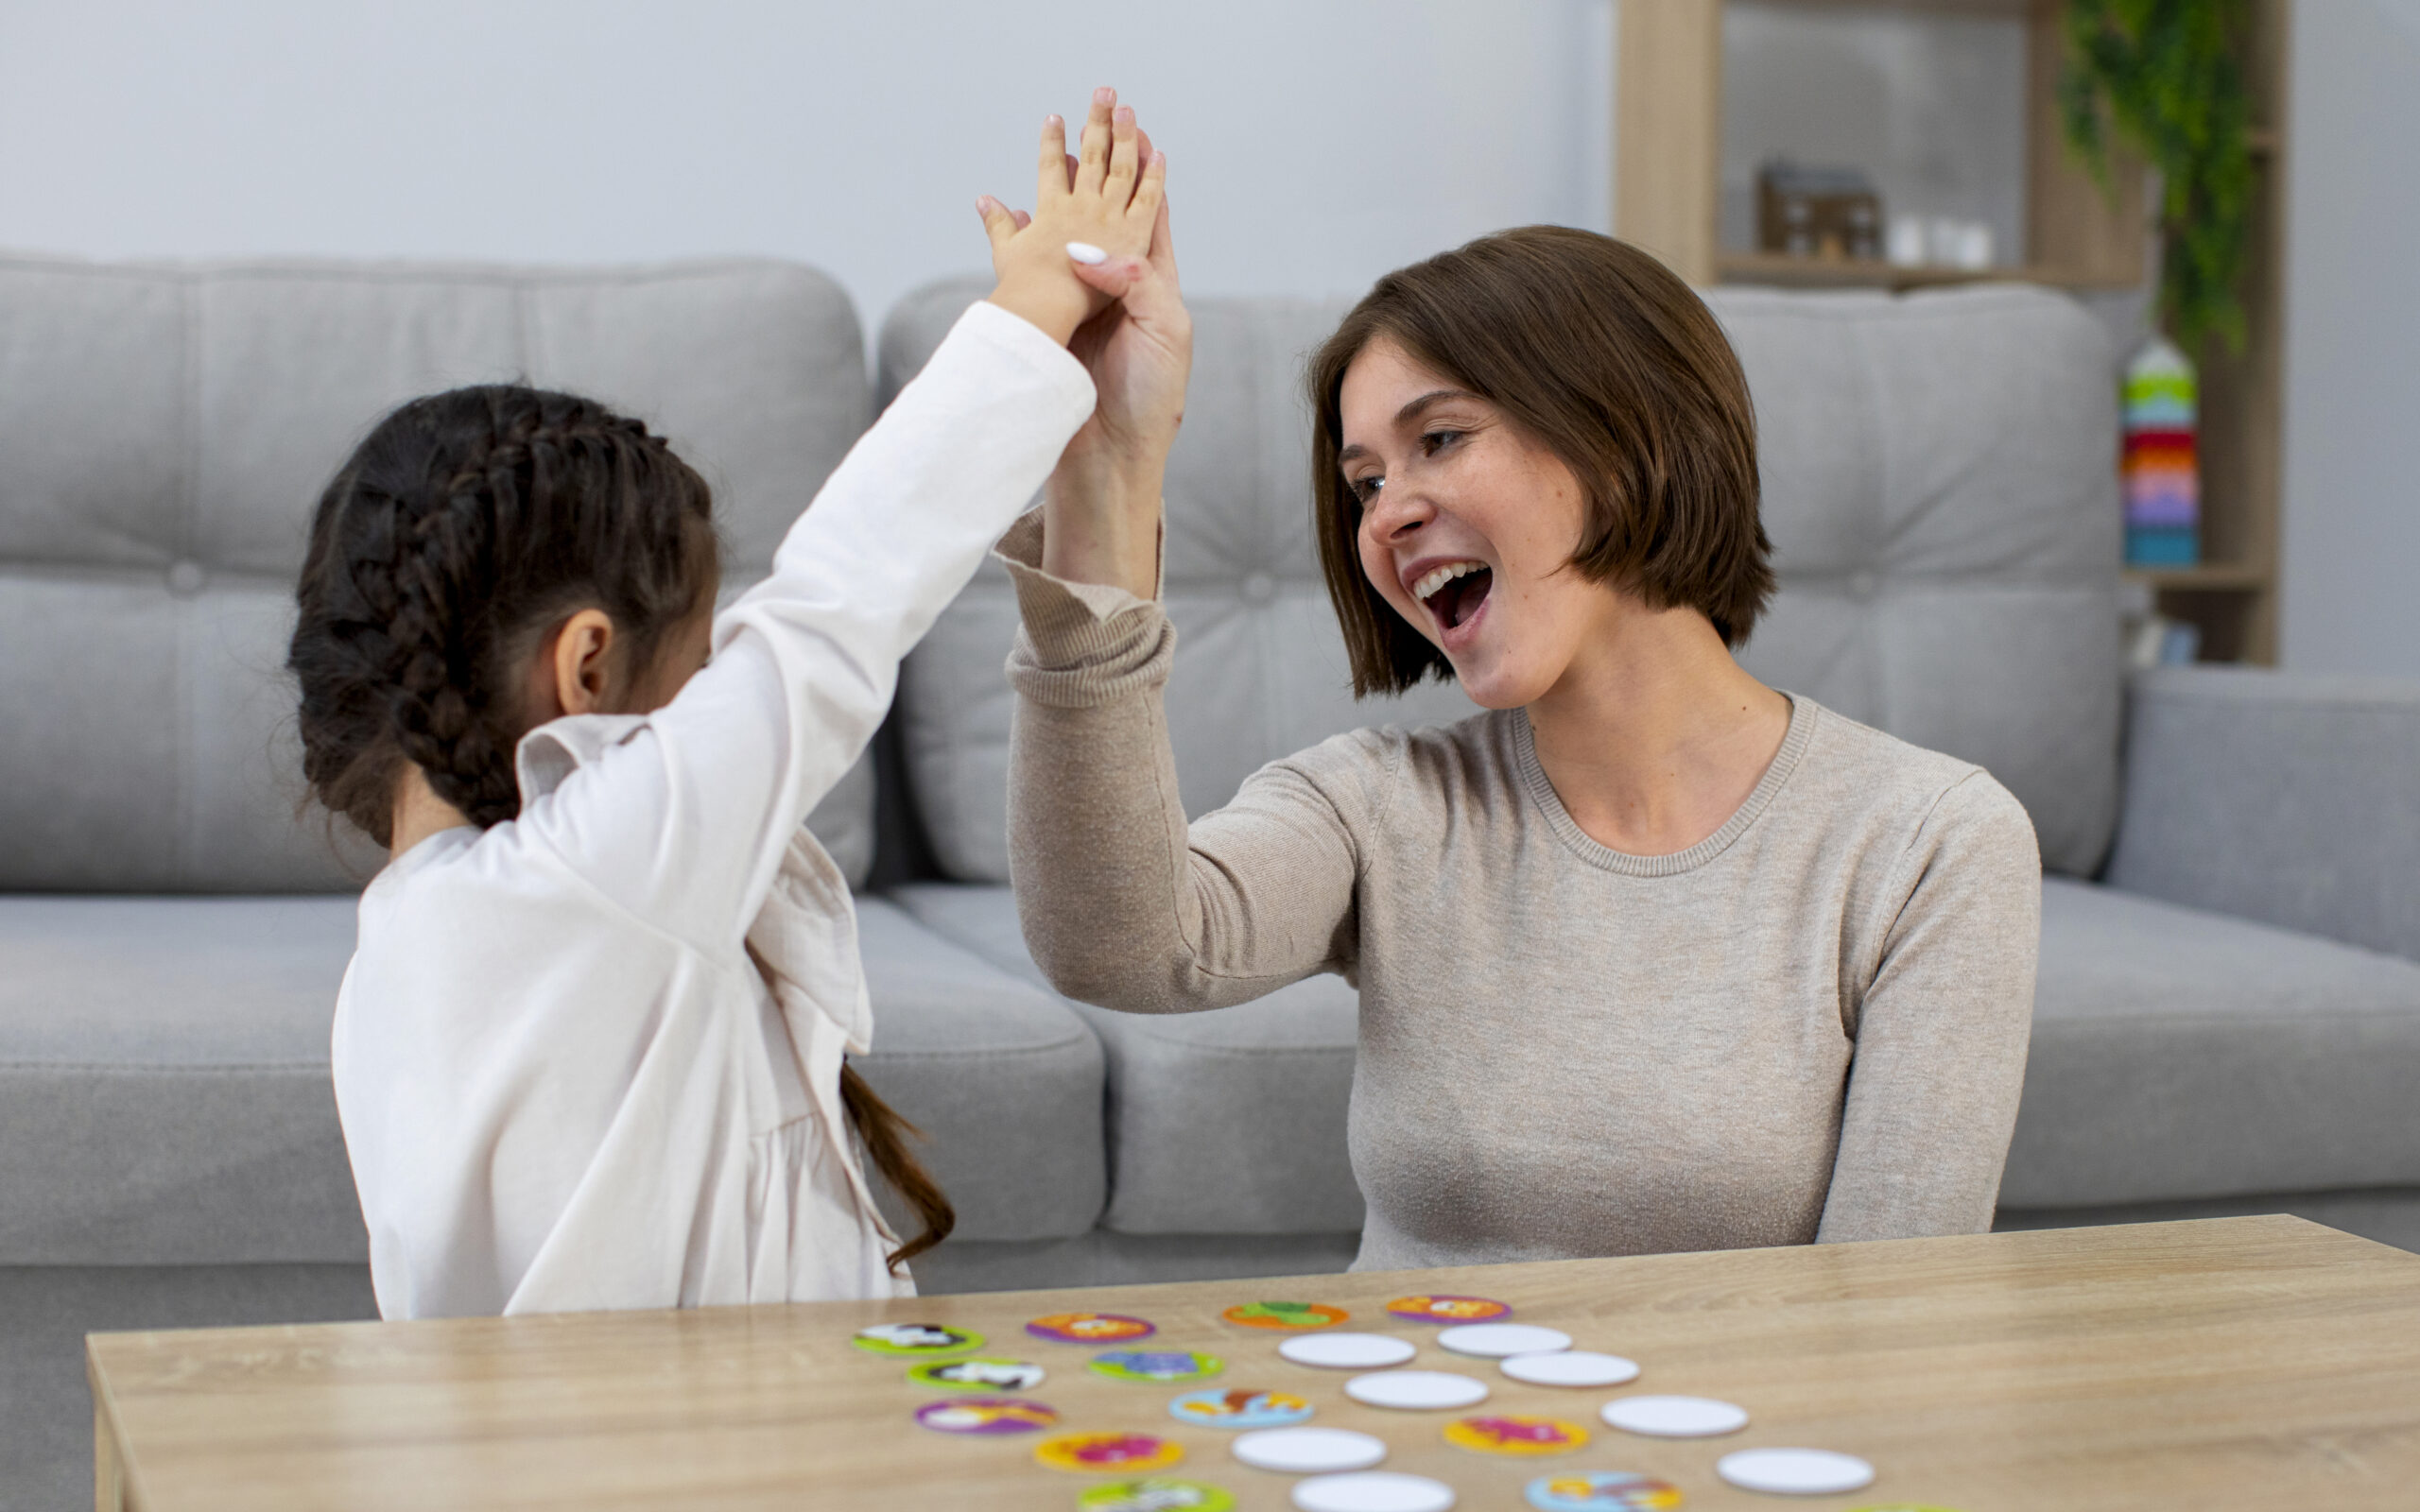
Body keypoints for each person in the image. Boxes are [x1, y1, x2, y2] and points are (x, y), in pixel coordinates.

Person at [1000, 224, 2042, 1271]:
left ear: (1627, 429)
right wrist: (1111, 472)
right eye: (1364, 483)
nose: (1388, 517)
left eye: (1440, 439)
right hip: (1403, 1424)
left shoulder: (1927, 842)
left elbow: (1899, 1313)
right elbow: (1120, 945)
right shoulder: (1380, 804)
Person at [289, 90, 1167, 1316]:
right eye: (704, 666)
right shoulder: (590, 877)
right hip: (722, 1481)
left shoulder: (414, 947)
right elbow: (835, 606)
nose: (720, 702)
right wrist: (1035, 307)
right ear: (586, 670)